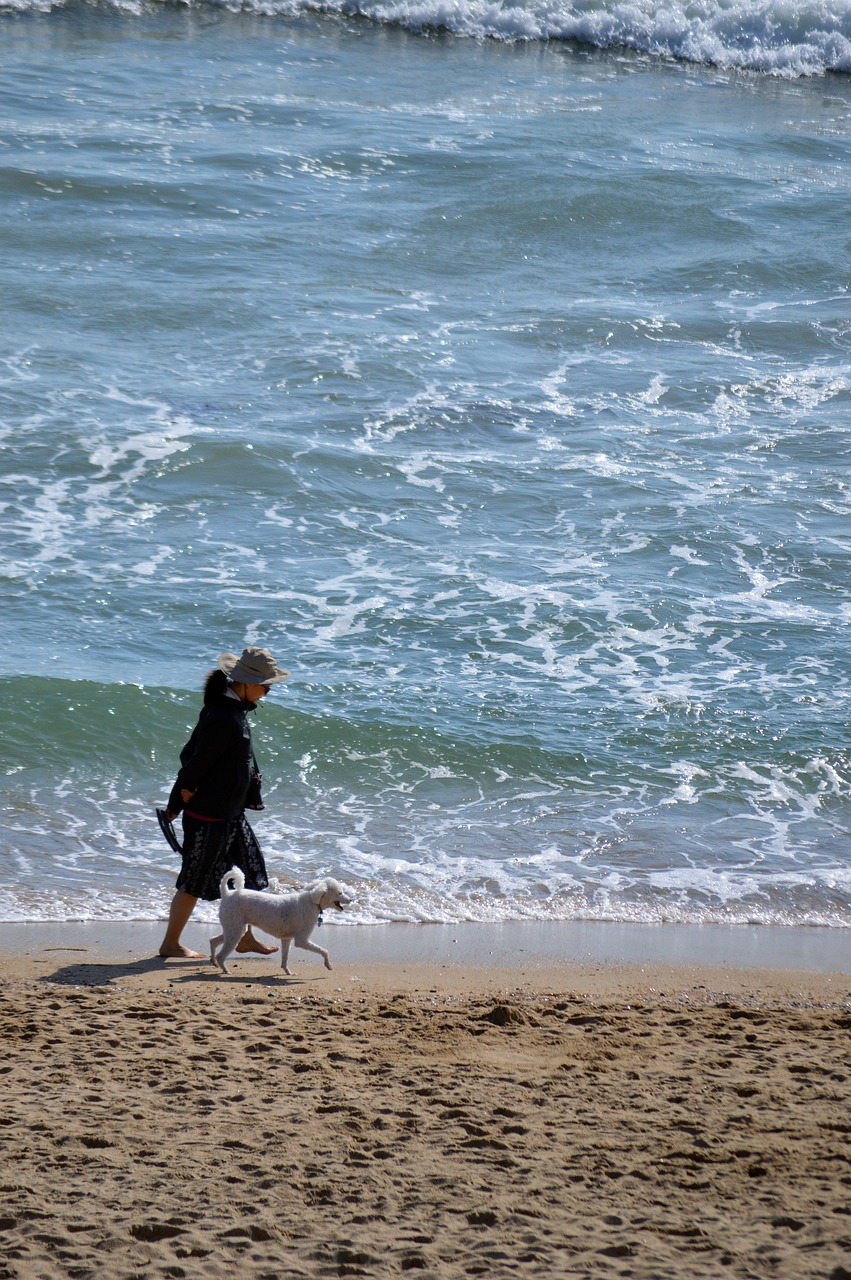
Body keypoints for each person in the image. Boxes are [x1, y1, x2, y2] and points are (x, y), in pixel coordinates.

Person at [158, 646, 289, 959]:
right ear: (243, 683)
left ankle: (243, 938)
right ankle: (170, 944)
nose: (269, 689)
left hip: (229, 813)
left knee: (249, 872)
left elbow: (197, 756)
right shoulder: (224, 717)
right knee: (193, 879)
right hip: (209, 815)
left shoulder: (230, 711)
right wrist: (178, 800)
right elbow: (195, 760)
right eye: (265, 684)